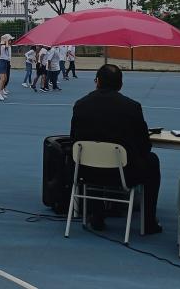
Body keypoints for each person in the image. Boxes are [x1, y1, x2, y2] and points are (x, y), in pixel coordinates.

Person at [70, 64, 163, 234]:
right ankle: (148, 220)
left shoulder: (80, 105)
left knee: (89, 160)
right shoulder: (131, 107)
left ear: (96, 81)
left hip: (86, 172)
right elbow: (145, 145)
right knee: (152, 161)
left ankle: (96, 214)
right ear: (120, 85)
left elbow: (74, 140)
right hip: (124, 173)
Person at [0, 34, 13, 100]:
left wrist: (6, 40)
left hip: (5, 62)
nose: (10, 41)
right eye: (9, 40)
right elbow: (6, 46)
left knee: (5, 78)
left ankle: (1, 91)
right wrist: (5, 40)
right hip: (2, 62)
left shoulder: (5, 46)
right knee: (2, 79)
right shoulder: (2, 46)